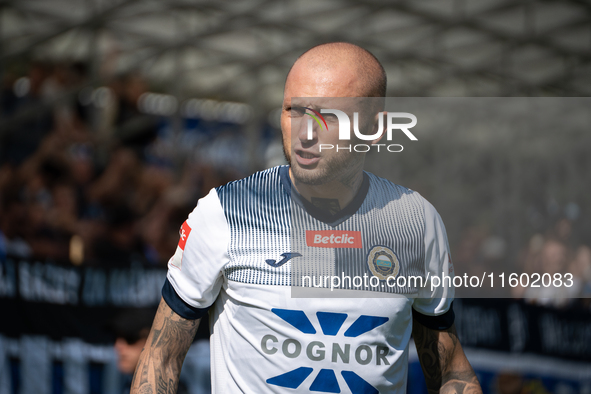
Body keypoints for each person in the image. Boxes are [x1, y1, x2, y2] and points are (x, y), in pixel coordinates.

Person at [131, 42, 482, 394]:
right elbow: (160, 359)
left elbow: (450, 370)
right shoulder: (226, 212)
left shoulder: (416, 222)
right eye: (295, 110)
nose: (306, 133)